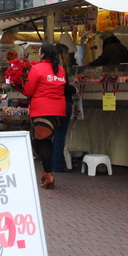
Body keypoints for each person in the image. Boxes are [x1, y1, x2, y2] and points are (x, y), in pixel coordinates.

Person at [22, 43, 66, 190]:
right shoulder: (60, 70)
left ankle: (48, 174)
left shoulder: (36, 69)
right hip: (58, 110)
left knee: (42, 142)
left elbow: (28, 91)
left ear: (41, 54)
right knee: (48, 141)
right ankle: (46, 170)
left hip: (42, 110)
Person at [52, 43, 77, 173]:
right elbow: (63, 87)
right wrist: (73, 88)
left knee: (54, 134)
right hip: (63, 103)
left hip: (51, 104)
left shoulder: (50, 68)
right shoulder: (62, 70)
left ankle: (52, 162)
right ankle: (58, 164)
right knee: (60, 134)